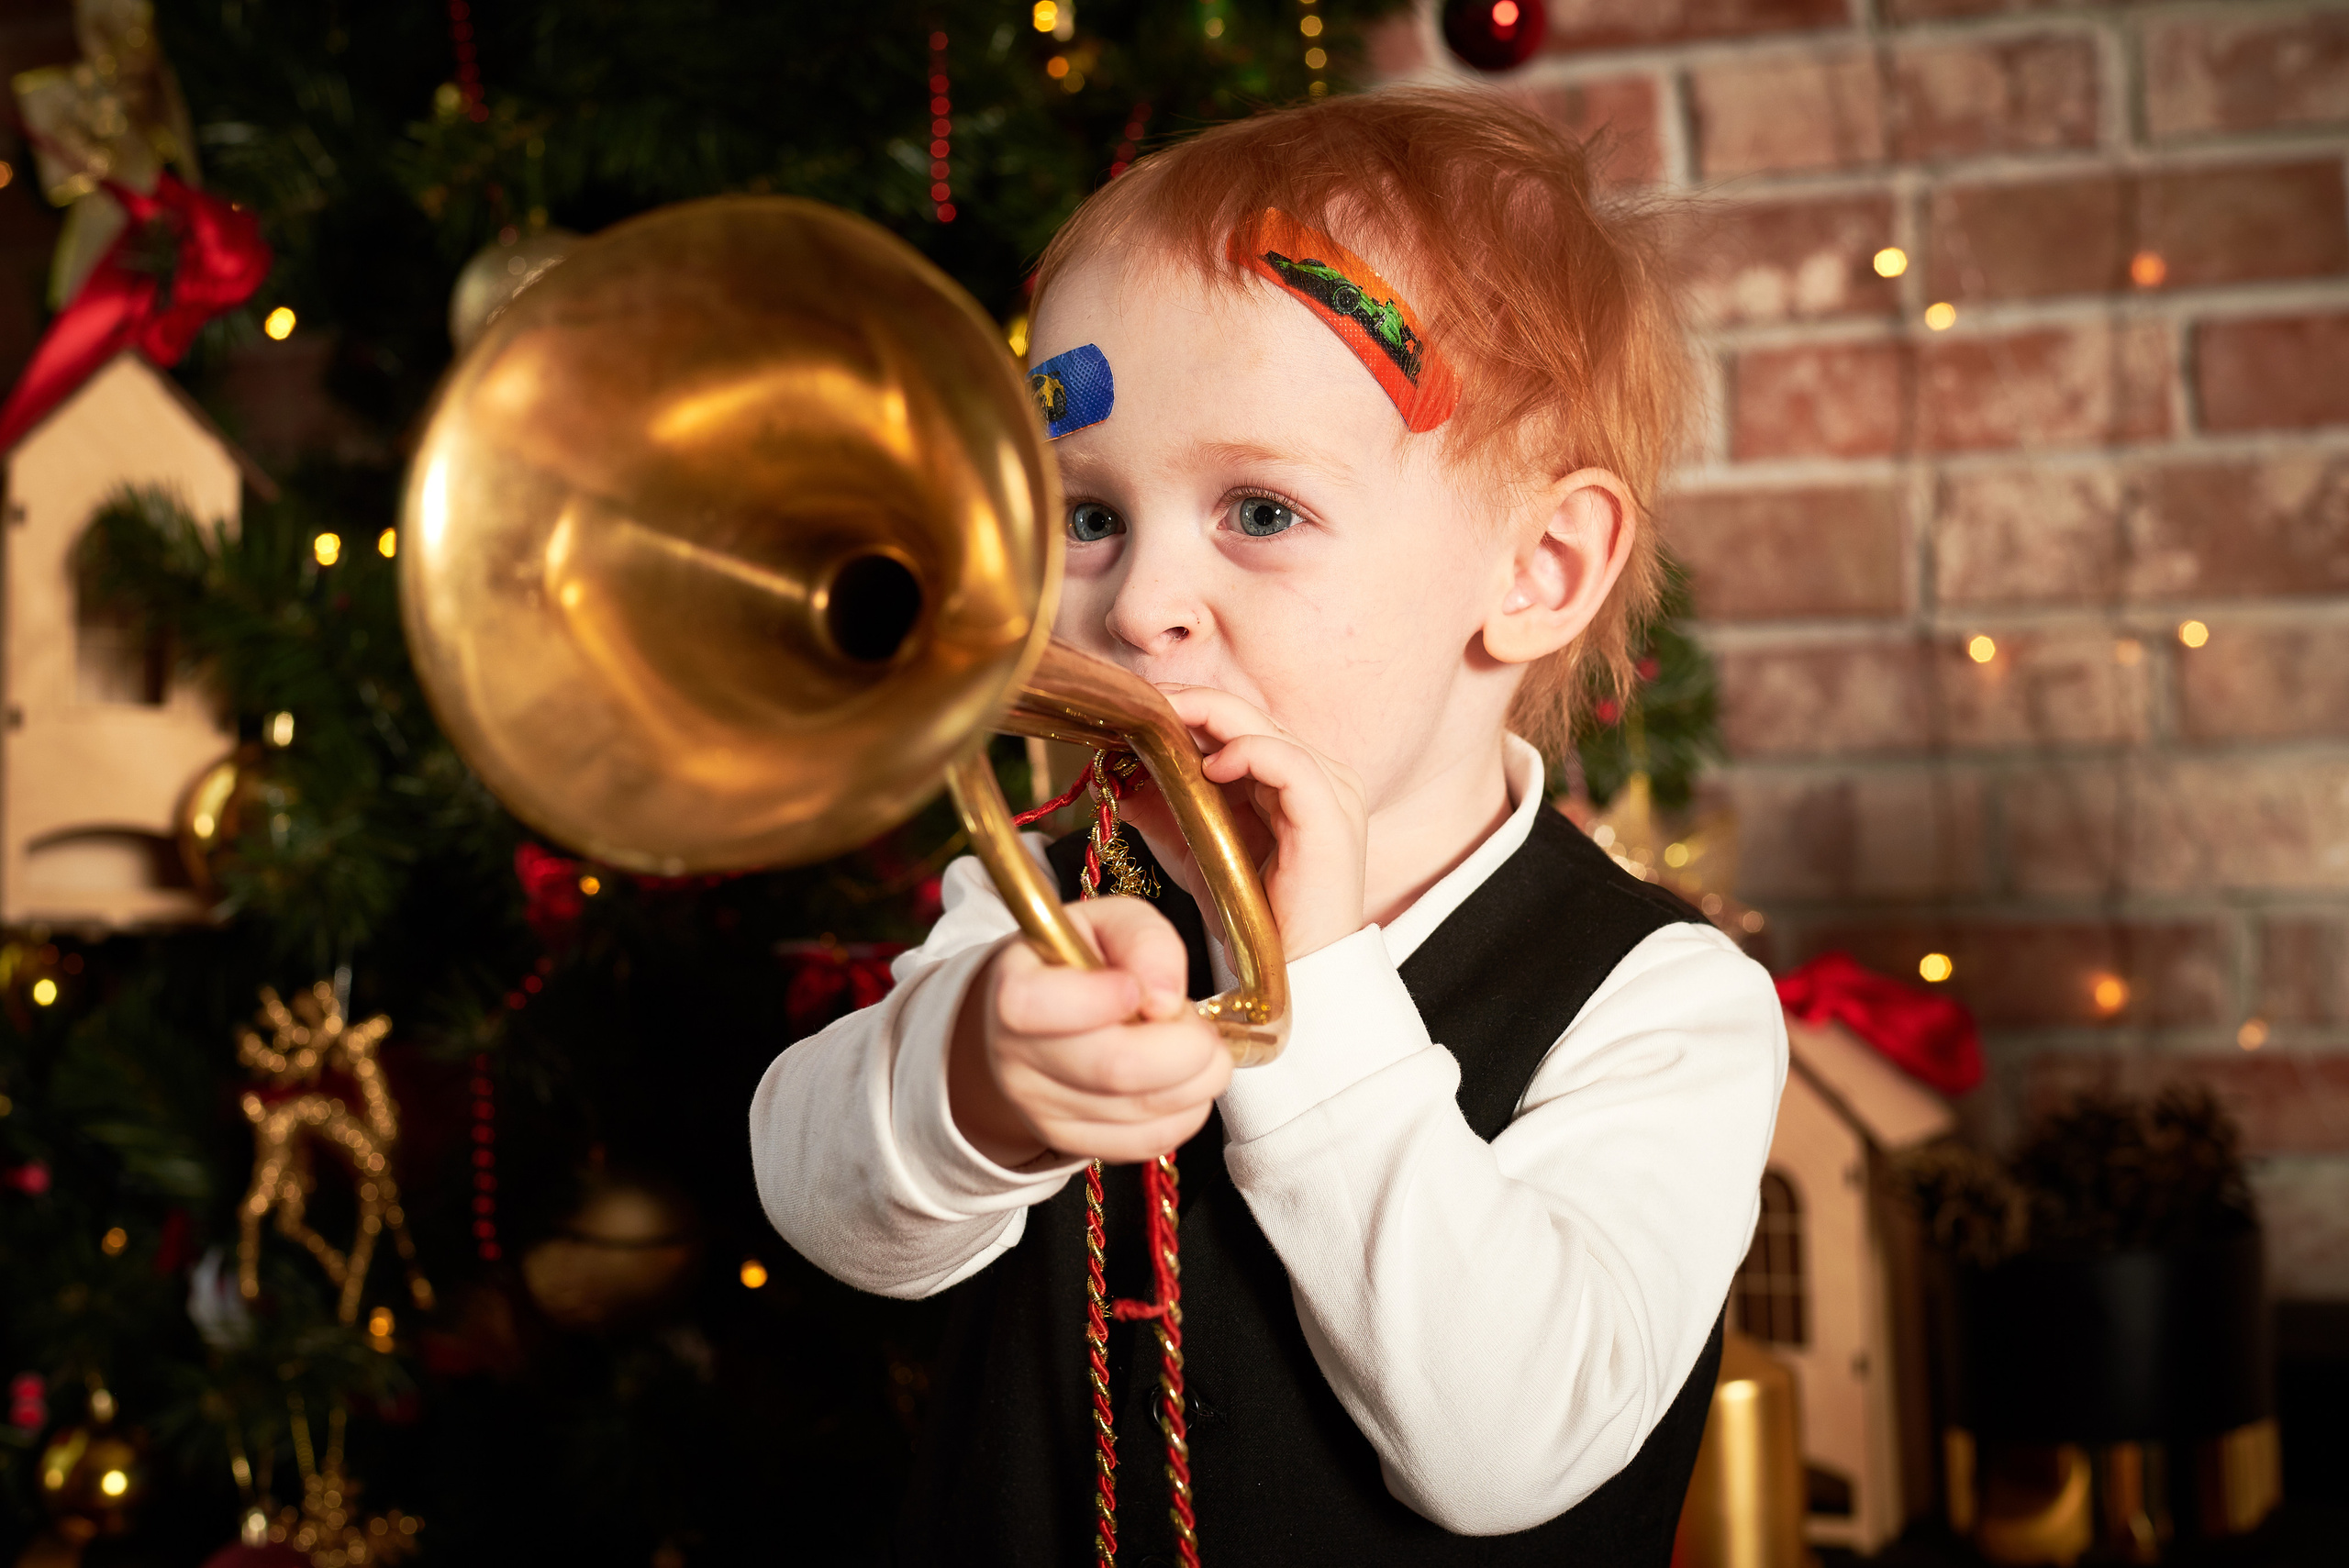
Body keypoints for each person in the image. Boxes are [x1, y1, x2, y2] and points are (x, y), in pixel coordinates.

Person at [751, 86, 1787, 1565]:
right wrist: (974, 1079)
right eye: (1091, 516)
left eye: (1260, 511)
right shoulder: (1039, 899)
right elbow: (818, 1198)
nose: (1139, 605)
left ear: (1541, 568)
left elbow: (1500, 1447)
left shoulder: (1667, 1004)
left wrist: (1321, 982)